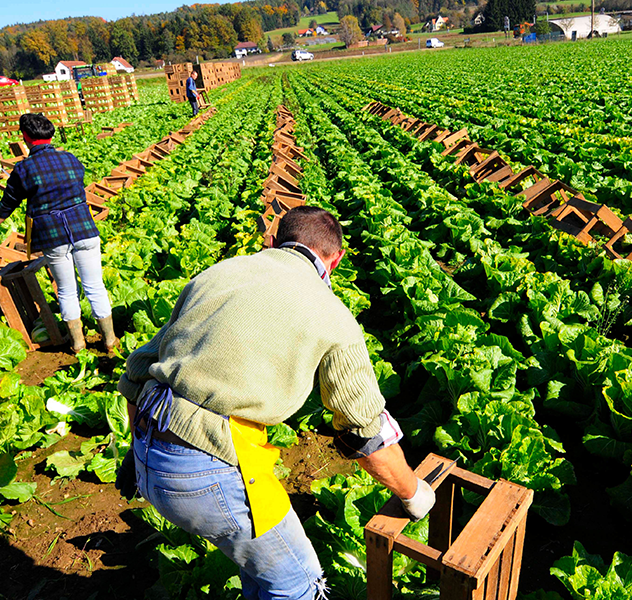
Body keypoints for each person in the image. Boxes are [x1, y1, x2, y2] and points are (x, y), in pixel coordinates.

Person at [116, 206, 435, 600]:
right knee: (297, 584)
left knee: (260, 566)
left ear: (273, 239)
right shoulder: (334, 316)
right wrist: (414, 494)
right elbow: (365, 434)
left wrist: (141, 451)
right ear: (336, 259)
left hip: (147, 451)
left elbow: (137, 371)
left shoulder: (219, 274)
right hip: (206, 472)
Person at [0, 113, 117, 354]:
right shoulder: (70, 159)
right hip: (84, 229)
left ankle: (78, 343)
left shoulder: (23, 170)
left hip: (53, 237)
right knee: (95, 286)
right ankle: (110, 340)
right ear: (50, 135)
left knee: (66, 290)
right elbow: (79, 182)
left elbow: (8, 204)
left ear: (25, 138)